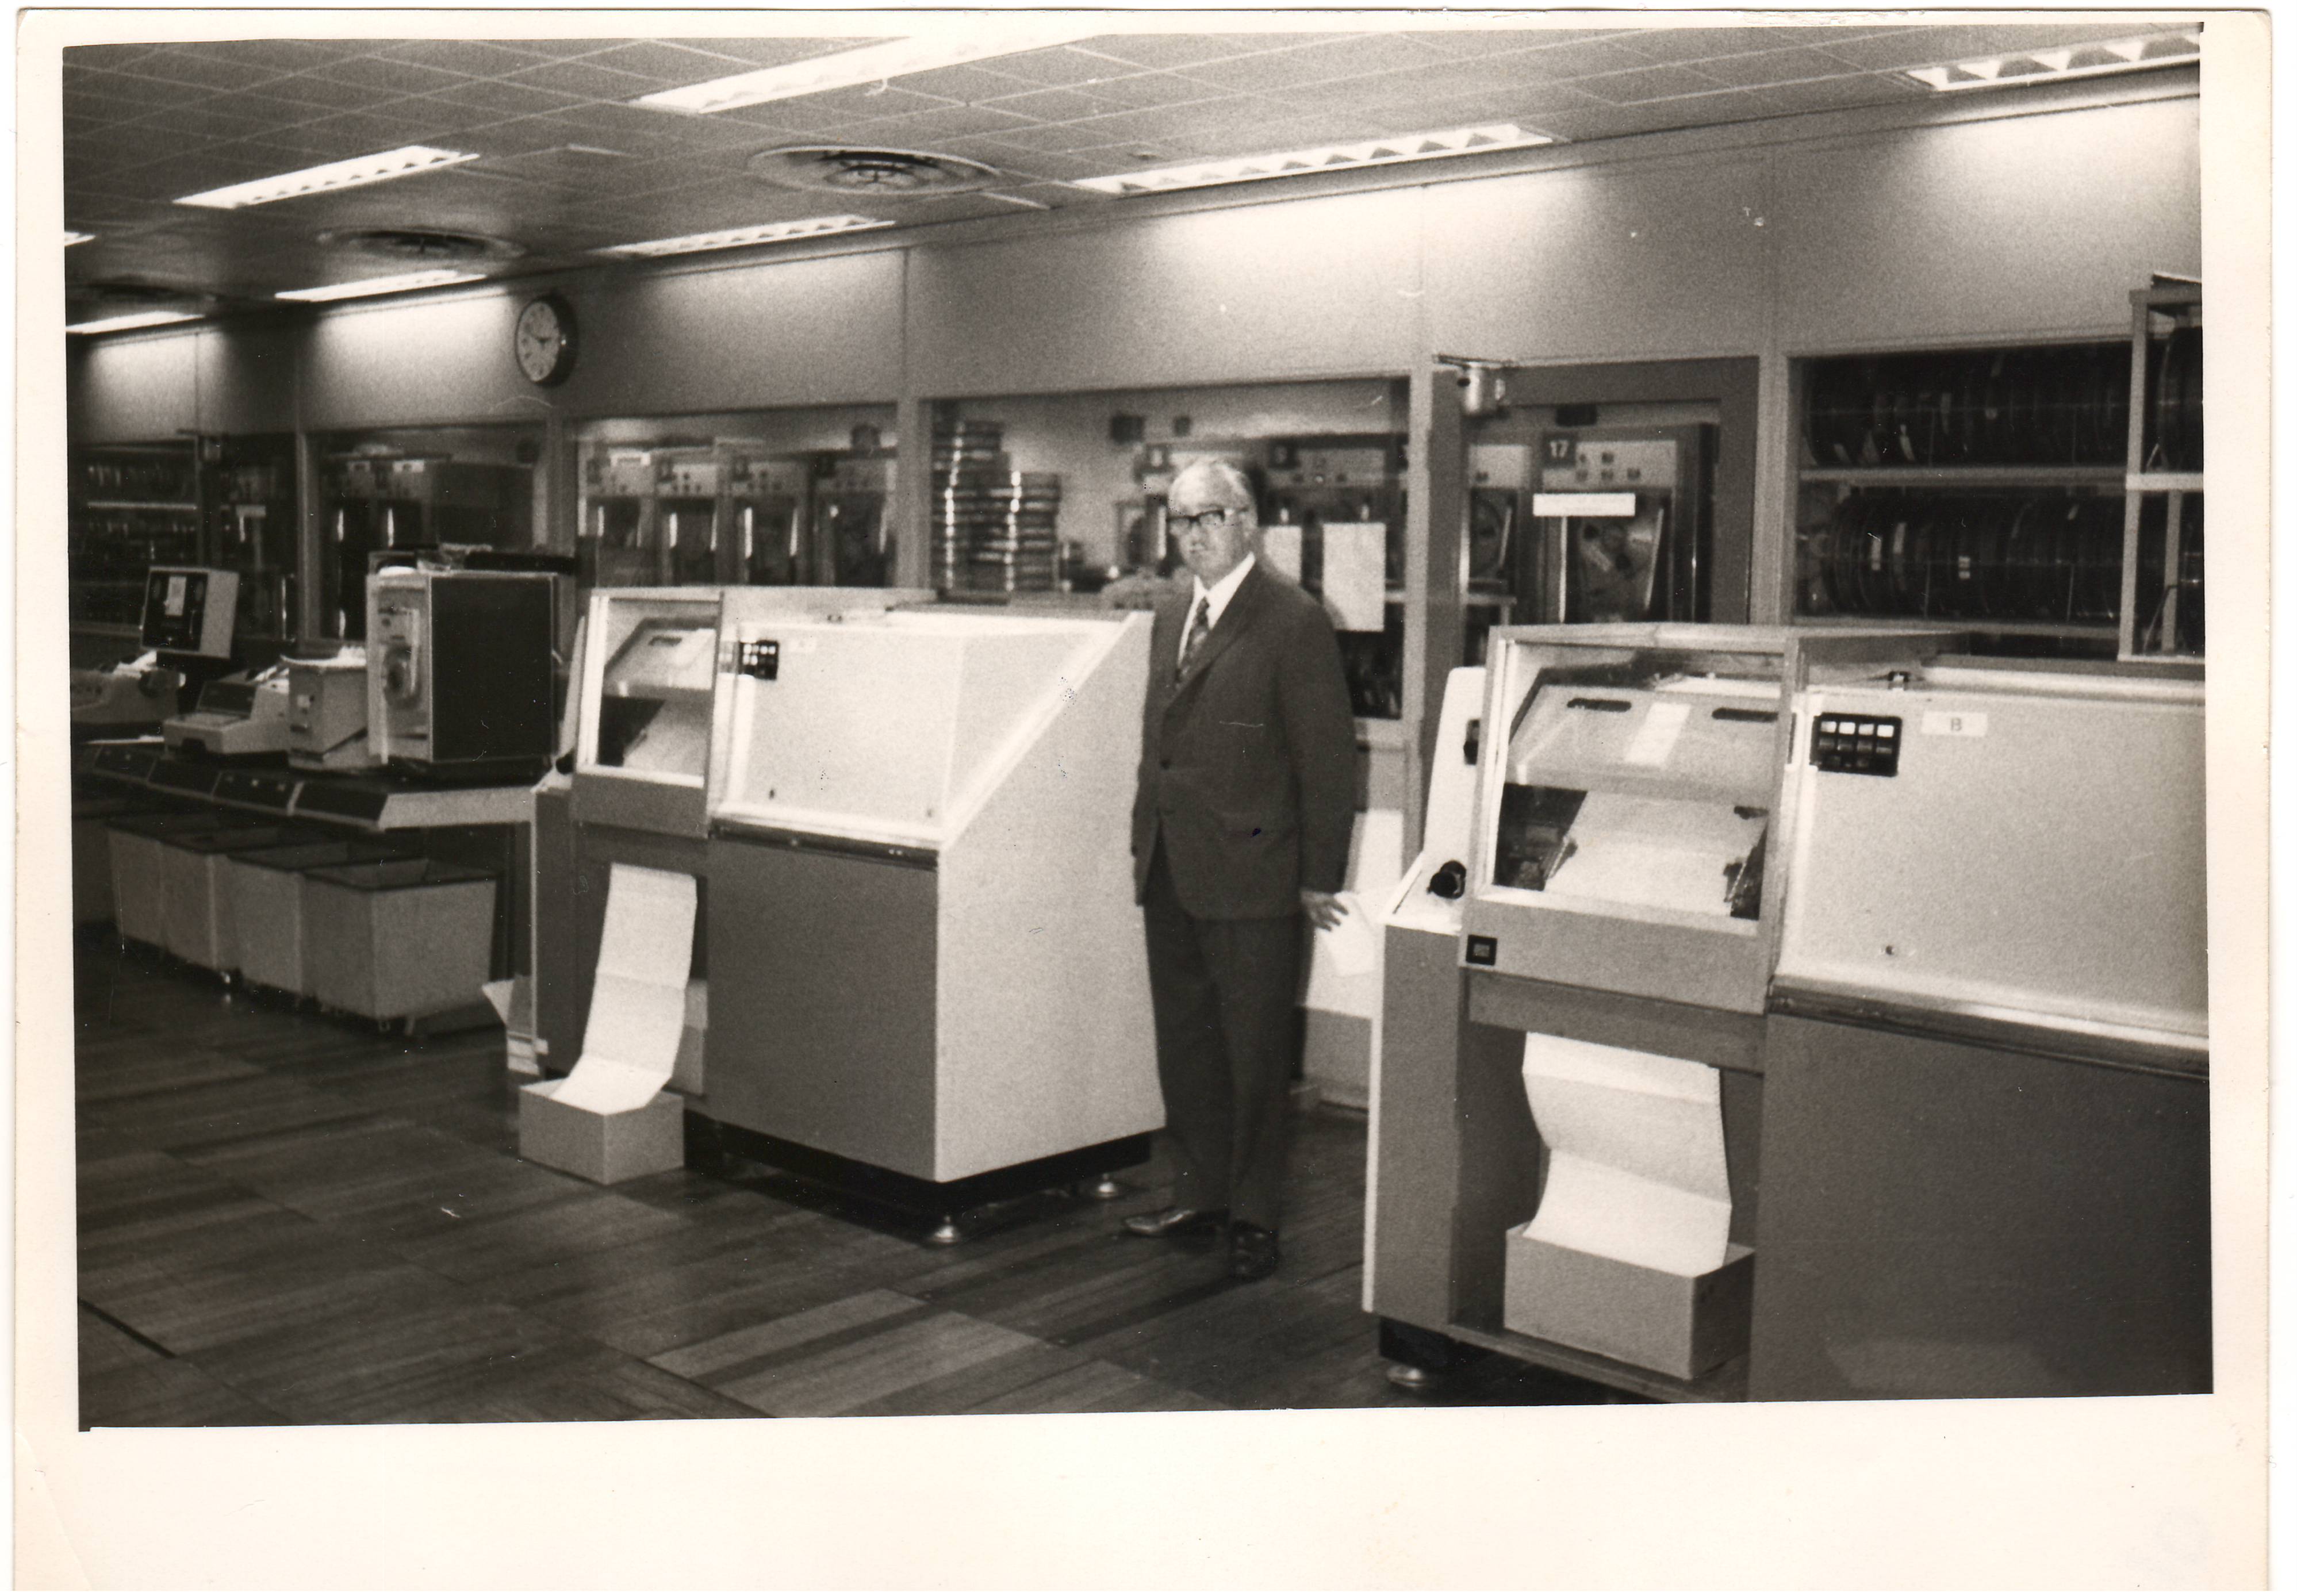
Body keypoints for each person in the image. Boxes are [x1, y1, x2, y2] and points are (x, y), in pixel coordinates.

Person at [1125, 459, 1358, 1282]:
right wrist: (1141, 837)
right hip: (1172, 867)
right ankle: (1202, 1191)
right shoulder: (1167, 616)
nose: (1193, 535)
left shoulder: (1293, 621)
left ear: (1249, 520)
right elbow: (1163, 741)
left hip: (1253, 874)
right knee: (1186, 1047)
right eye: (1180, 520)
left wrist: (1319, 874)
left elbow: (1327, 761)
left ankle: (1255, 1215)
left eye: (1209, 517)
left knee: (1255, 1054)